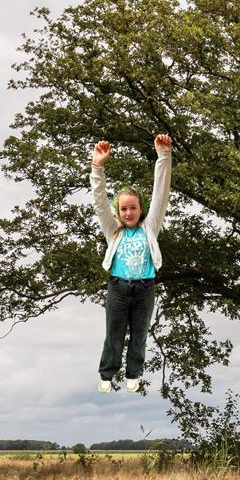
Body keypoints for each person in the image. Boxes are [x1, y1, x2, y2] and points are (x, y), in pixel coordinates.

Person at [90, 134, 172, 393]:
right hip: (117, 288)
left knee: (139, 336)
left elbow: (161, 194)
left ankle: (133, 373)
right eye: (124, 209)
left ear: (141, 209)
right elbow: (100, 201)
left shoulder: (150, 228)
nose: (128, 213)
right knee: (113, 335)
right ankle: (107, 373)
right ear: (118, 212)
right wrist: (97, 167)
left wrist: (164, 156)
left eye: (133, 208)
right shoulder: (113, 230)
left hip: (144, 289)